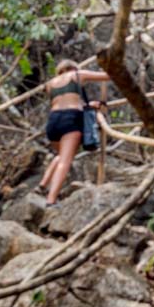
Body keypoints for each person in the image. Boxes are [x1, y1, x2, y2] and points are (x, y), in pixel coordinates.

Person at [39, 59, 109, 206]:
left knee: (61, 156)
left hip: (53, 121)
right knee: (65, 161)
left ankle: (43, 184)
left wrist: (89, 104)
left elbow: (66, 100)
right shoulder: (77, 74)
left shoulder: (50, 84)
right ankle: (51, 200)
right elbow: (108, 76)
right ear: (73, 67)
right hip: (71, 119)